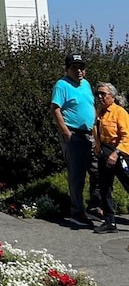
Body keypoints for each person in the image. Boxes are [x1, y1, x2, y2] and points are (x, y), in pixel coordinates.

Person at [51, 53, 100, 225]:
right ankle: (77, 211)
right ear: (67, 69)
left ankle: (94, 206)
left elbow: (90, 106)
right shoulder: (62, 85)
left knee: (97, 170)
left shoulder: (85, 84)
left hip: (90, 134)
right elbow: (55, 109)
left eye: (81, 67)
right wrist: (66, 133)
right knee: (77, 174)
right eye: (75, 67)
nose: (79, 70)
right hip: (73, 134)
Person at [93, 83, 129, 234]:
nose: (100, 97)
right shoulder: (100, 113)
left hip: (119, 155)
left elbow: (127, 136)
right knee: (105, 188)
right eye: (98, 94)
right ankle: (110, 222)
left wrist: (116, 153)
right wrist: (97, 150)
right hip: (104, 154)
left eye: (103, 94)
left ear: (112, 96)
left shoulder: (119, 112)